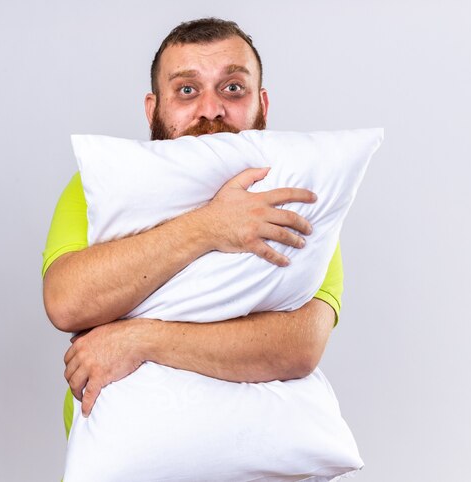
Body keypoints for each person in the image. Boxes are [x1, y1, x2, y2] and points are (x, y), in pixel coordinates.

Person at [42, 18, 344, 436]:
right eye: (187, 90)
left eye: (233, 88)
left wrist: (138, 340)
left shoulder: (300, 193)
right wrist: (209, 226)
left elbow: (300, 344)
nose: (211, 108)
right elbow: (67, 302)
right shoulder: (98, 186)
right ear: (154, 109)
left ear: (262, 104)